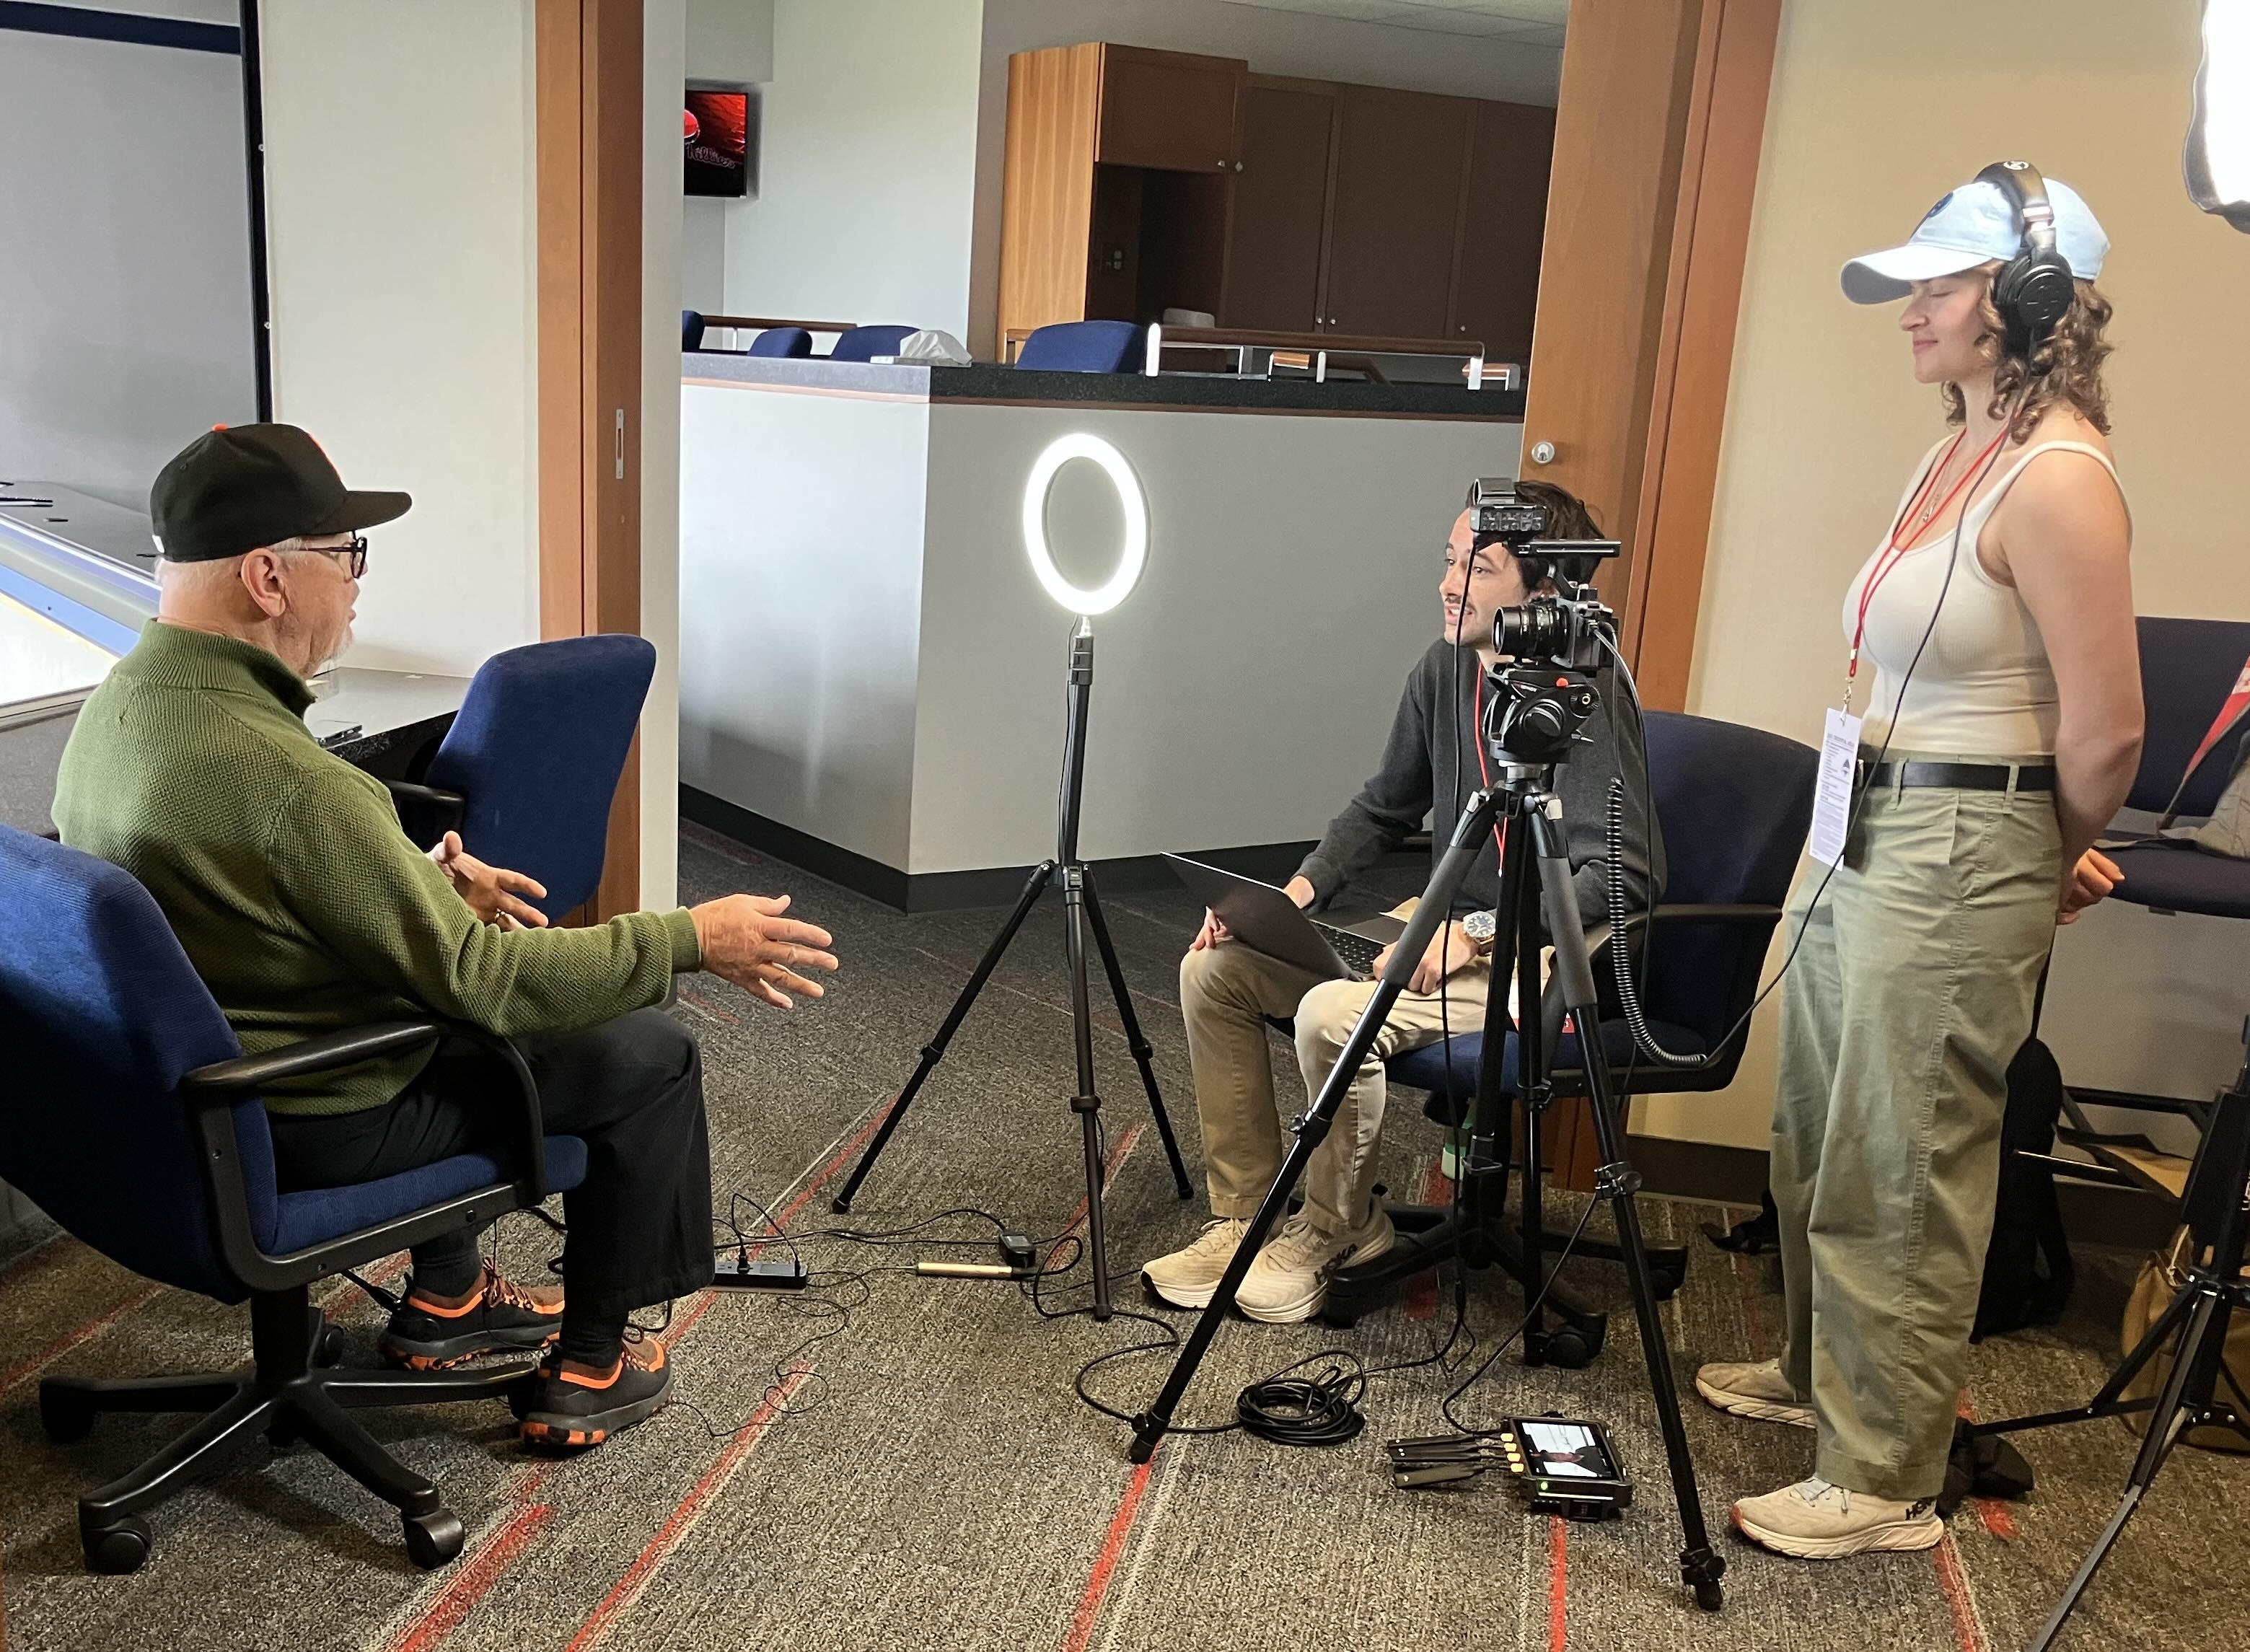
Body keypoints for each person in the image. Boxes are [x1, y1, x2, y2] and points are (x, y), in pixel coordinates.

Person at [54, 423, 841, 1450]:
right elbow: (486, 984)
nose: (358, 583)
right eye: (347, 555)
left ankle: (450, 1298)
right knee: (647, 1048)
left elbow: (219, 902)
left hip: (184, 1095)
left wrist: (407, 887)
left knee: (469, 1004)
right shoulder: (290, 779)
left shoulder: (120, 709)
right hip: (309, 1108)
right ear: (267, 577)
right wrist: (688, 936)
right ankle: (596, 1361)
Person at [1696, 167, 2140, 1558]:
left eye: (1939, 285)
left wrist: (2035, 857)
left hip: (1960, 835)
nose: (1909, 309)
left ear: (2022, 301)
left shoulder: (2058, 479)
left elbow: (2108, 731)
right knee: (1820, 1117)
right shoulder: (1954, 447)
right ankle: (1822, 1378)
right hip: (1874, 814)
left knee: (1907, 1151)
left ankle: (1883, 1472)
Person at [1141, 481, 1662, 1324]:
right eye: (1449, 560)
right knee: (1215, 973)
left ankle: (1338, 1229)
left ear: (1543, 590)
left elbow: (1623, 875)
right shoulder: (1443, 667)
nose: (1449, 583)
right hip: (1436, 932)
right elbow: (1384, 806)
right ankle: (1241, 1218)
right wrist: (1287, 895)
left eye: (1478, 567)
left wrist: (1478, 931)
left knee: (1330, 1017)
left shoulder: (1586, 690)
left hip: (1537, 957)